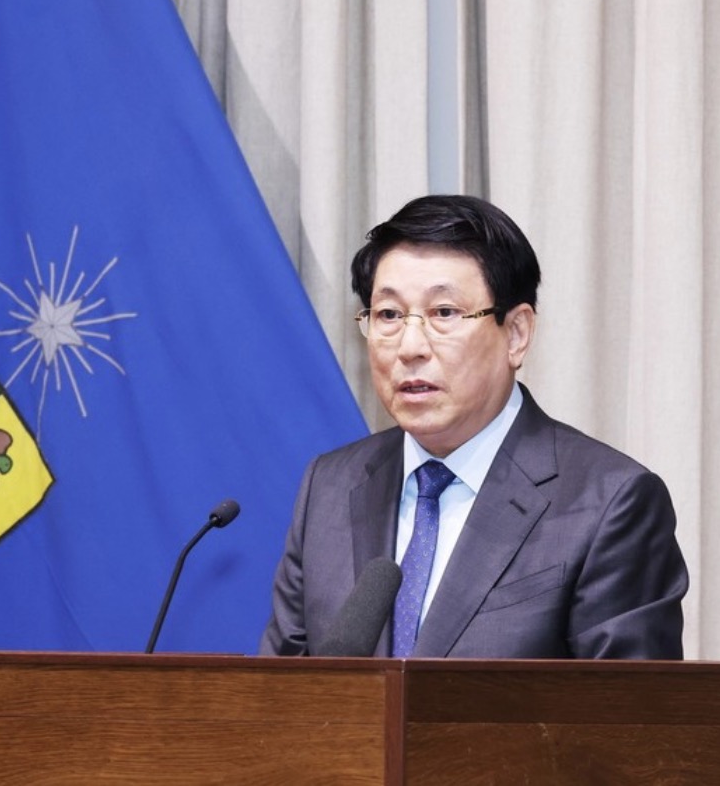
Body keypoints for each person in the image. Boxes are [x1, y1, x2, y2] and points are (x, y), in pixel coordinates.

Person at [259, 194, 689, 659]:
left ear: (517, 333)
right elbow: (284, 701)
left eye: (444, 313)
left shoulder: (609, 503)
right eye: (388, 315)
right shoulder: (329, 486)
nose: (410, 346)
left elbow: (624, 721)